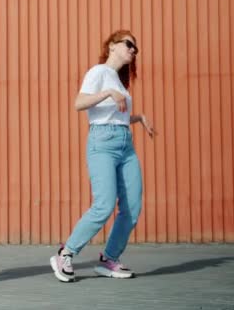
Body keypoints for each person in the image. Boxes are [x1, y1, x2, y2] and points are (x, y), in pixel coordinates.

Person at [51, 30, 156, 282]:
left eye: (136, 48)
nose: (133, 50)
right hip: (102, 143)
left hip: (124, 143)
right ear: (112, 46)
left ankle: (109, 258)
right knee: (104, 204)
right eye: (129, 44)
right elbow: (79, 103)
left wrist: (138, 118)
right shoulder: (98, 72)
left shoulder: (118, 81)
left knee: (132, 207)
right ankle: (66, 253)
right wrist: (108, 93)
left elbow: (112, 115)